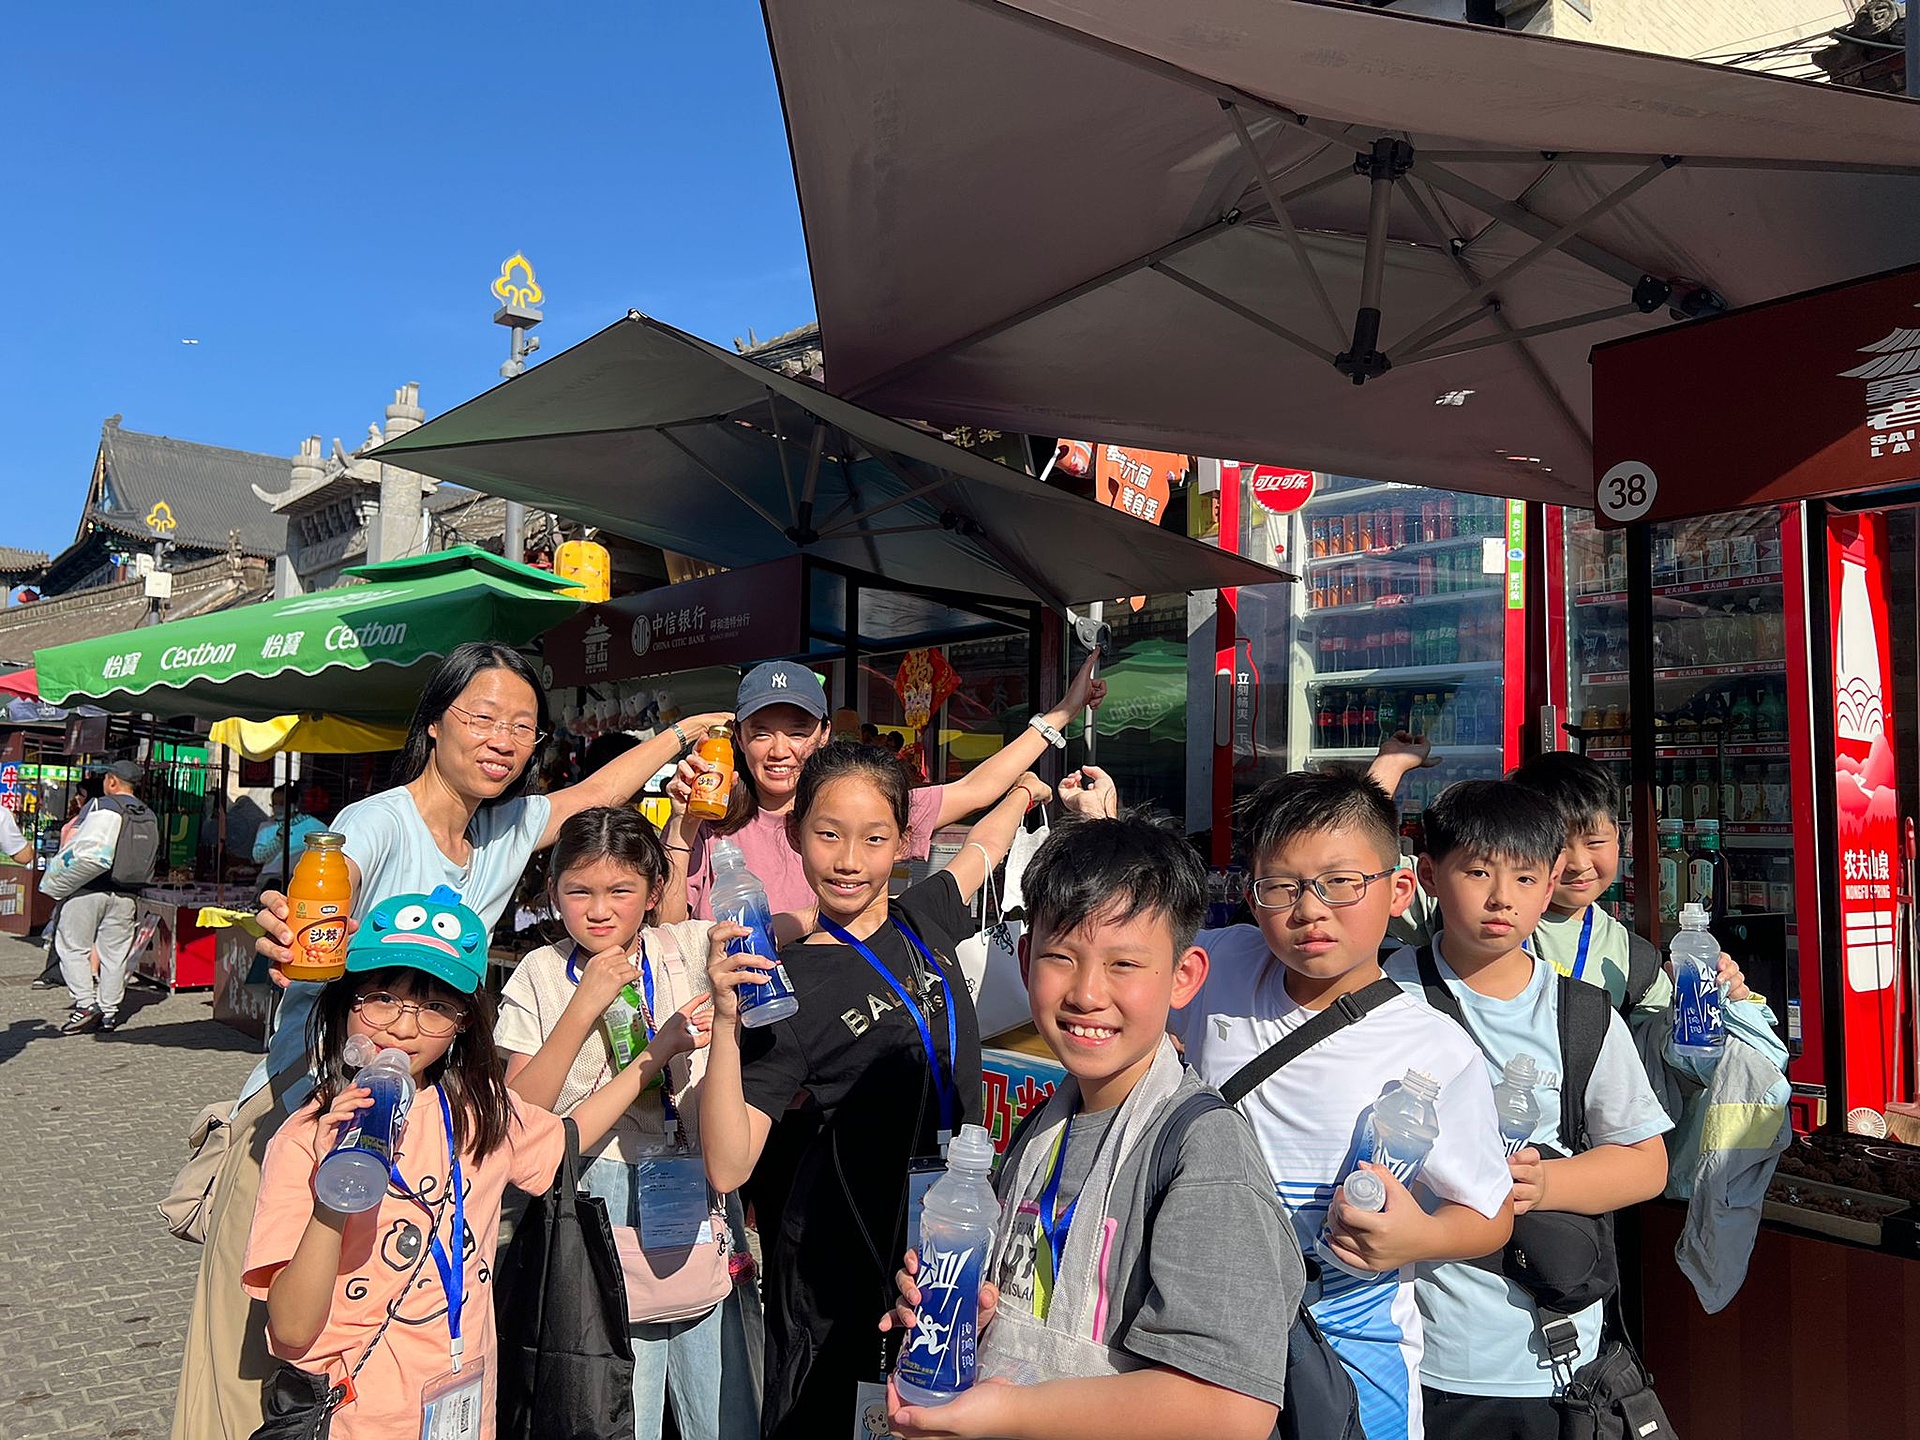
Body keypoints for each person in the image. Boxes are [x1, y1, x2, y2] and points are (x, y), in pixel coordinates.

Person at [172, 641, 727, 1440]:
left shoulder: (501, 832)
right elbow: (334, 882)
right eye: (483, 717)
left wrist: (685, 732)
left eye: (523, 727)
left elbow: (598, 792)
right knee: (270, 1378)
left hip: (426, 1130)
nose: (503, 739)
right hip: (320, 1112)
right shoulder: (378, 821)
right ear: (434, 722)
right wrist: (296, 922)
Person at [881, 812, 1302, 1440]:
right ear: (1025, 958)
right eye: (1061, 957)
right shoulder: (1045, 1125)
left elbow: (1232, 1408)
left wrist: (1011, 1414)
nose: (1086, 992)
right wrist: (964, 1314)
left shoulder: (1203, 1152)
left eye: (1124, 963)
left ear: (1183, 976)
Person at [241, 890, 677, 1439]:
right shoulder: (304, 1137)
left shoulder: (478, 1114)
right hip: (355, 1416)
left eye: (435, 1008)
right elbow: (291, 1327)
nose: (403, 1028)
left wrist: (656, 1054)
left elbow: (566, 1137)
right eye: (382, 999)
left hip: (465, 1408)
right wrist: (336, 1187)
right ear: (347, 1003)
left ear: (462, 1024)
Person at [700, 741, 1042, 1438]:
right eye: (828, 835)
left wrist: (1025, 794)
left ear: (905, 842)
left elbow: (983, 848)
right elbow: (729, 1166)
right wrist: (728, 1022)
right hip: (844, 1276)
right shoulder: (785, 984)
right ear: (796, 837)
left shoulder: (923, 917)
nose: (849, 860)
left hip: (947, 1241)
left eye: (874, 838)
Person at [1169, 769, 1513, 1440]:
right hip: (1205, 1337)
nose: (1310, 909)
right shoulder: (1217, 965)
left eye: (1342, 883)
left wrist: (1421, 1238)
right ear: (1250, 894)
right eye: (1281, 887)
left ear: (1399, 890)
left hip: (1353, 1353)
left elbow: (1490, 1213)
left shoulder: (1437, 1048)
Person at [1382, 780, 1670, 1440]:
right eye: (1478, 872)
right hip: (1410, 1350)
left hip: (1549, 1359)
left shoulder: (1581, 1014)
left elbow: (1645, 1163)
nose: (1501, 898)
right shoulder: (1380, 995)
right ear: (1428, 874)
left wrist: (1546, 1184)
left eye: (1524, 877)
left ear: (1550, 886)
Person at [495, 806, 760, 1440]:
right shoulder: (540, 972)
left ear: (653, 890)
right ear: (552, 891)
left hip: (698, 1189)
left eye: (620, 890)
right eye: (578, 891)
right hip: (594, 1192)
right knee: (616, 1396)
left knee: (719, 1401)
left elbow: (778, 938)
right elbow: (522, 1118)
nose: (599, 910)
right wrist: (585, 1004)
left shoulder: (691, 948)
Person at [658, 654, 1106, 921]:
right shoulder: (708, 821)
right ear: (738, 738)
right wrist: (682, 823)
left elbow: (976, 788)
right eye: (760, 733)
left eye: (796, 732)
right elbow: (670, 932)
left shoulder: (865, 805)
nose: (779, 750)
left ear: (824, 734)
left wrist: (1063, 713)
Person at [57, 759, 159, 1036]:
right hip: (128, 893)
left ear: (112, 781)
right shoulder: (149, 814)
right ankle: (109, 1013)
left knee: (72, 946)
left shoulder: (100, 805)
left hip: (89, 888)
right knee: (115, 954)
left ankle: (85, 1004)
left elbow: (74, 843)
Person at [251, 784, 329, 878]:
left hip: (303, 877)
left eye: (282, 803)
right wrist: (278, 840)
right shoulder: (266, 826)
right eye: (275, 803)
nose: (278, 807)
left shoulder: (313, 825)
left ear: (295, 805)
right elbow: (258, 857)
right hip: (271, 878)